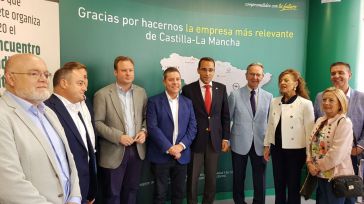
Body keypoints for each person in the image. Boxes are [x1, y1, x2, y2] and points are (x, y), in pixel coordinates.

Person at [0, 54, 81, 203]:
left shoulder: (48, 112)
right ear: (11, 78)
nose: (43, 79)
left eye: (46, 74)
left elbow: (69, 160)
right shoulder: (3, 115)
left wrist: (75, 198)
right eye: (34, 73)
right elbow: (8, 182)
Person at [93, 56, 147, 204]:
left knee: (131, 191)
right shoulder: (102, 94)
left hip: (137, 150)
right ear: (115, 72)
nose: (128, 73)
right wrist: (118, 137)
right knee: (112, 194)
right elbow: (97, 123)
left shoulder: (141, 92)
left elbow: (146, 117)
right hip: (113, 151)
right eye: (124, 70)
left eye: (131, 70)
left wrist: (144, 131)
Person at [45, 62, 97, 204]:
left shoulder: (78, 109)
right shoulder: (46, 110)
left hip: (84, 189)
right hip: (64, 193)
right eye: (80, 83)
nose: (85, 88)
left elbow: (86, 148)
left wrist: (89, 190)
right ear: (64, 83)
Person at [313, 62, 364, 204]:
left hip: (352, 156)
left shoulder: (362, 98)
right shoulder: (320, 97)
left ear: (349, 75)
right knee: (324, 195)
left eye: (340, 72)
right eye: (333, 73)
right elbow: (316, 125)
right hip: (326, 157)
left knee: (347, 194)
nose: (336, 76)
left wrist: (360, 146)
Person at [182, 57, 230, 204]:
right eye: (204, 69)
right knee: (192, 178)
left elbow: (225, 116)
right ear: (198, 70)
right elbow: (184, 117)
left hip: (214, 140)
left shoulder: (221, 88)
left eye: (211, 69)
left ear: (214, 71)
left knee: (211, 178)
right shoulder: (188, 89)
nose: (207, 73)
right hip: (195, 140)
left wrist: (225, 138)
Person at [263, 69, 314, 204]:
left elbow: (310, 133)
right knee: (278, 185)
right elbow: (270, 125)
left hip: (296, 151)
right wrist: (267, 145)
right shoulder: (275, 101)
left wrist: (310, 155)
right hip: (277, 149)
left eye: (286, 80)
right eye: (281, 80)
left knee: (293, 186)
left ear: (296, 83)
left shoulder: (305, 104)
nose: (282, 83)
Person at [147, 67, 197, 204]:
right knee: (160, 194)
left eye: (177, 79)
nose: (175, 82)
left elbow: (192, 128)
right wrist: (170, 148)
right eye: (171, 79)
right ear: (164, 82)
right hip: (161, 155)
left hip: (182, 156)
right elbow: (152, 127)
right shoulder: (154, 101)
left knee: (179, 193)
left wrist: (180, 147)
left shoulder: (188, 102)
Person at [228, 63, 272, 204]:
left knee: (260, 177)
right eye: (252, 74)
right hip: (239, 142)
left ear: (262, 77)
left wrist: (268, 144)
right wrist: (227, 140)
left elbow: (270, 123)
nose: (255, 77)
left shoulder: (269, 97)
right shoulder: (235, 95)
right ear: (246, 75)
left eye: (258, 74)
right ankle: (239, 201)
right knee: (238, 177)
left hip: (261, 143)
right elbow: (227, 119)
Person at [307, 87, 354, 204]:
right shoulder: (320, 120)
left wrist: (317, 167)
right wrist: (309, 163)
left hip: (336, 177)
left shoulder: (344, 122)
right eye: (324, 100)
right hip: (320, 175)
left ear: (340, 103)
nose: (326, 103)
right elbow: (310, 143)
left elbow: (337, 152)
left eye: (331, 100)